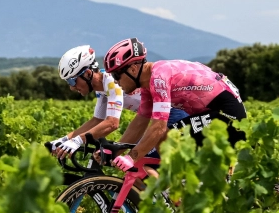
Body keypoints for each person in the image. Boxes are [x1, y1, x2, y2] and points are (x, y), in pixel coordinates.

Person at [103, 37, 247, 169]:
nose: (115, 81)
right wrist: (114, 151)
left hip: (226, 112)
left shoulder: (159, 77)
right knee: (166, 141)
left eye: (116, 75)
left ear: (133, 69)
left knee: (164, 135)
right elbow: (140, 122)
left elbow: (159, 127)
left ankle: (179, 185)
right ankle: (181, 186)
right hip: (214, 111)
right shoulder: (148, 84)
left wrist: (132, 157)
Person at [49, 45, 140, 159]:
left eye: (72, 81)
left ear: (87, 73)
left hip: (164, 114)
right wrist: (63, 140)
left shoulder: (111, 82)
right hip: (150, 116)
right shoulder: (101, 88)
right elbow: (97, 120)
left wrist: (77, 141)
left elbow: (112, 123)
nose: (71, 88)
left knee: (137, 164)